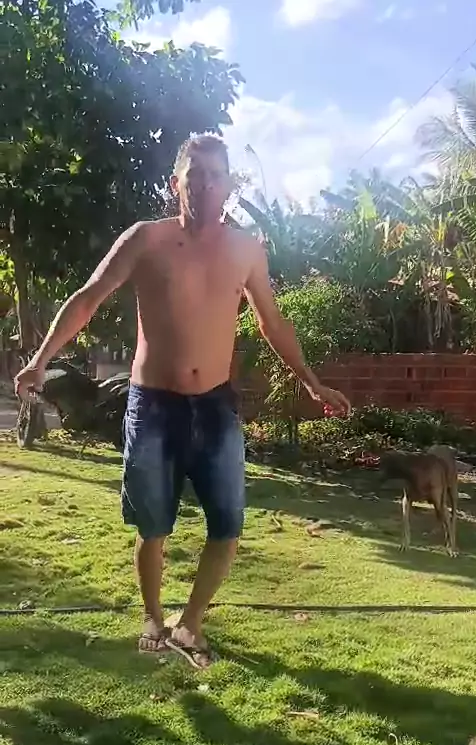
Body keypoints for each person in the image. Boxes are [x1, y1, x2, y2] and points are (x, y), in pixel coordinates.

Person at [15, 134, 351, 668]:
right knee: (153, 525)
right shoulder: (145, 239)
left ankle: (190, 624)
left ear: (229, 185)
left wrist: (310, 381)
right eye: (194, 175)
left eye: (215, 176)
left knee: (228, 524)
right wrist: (40, 359)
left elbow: (271, 322)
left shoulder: (246, 249)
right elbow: (88, 298)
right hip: (153, 405)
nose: (204, 185)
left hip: (215, 406)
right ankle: (153, 617)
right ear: (178, 183)